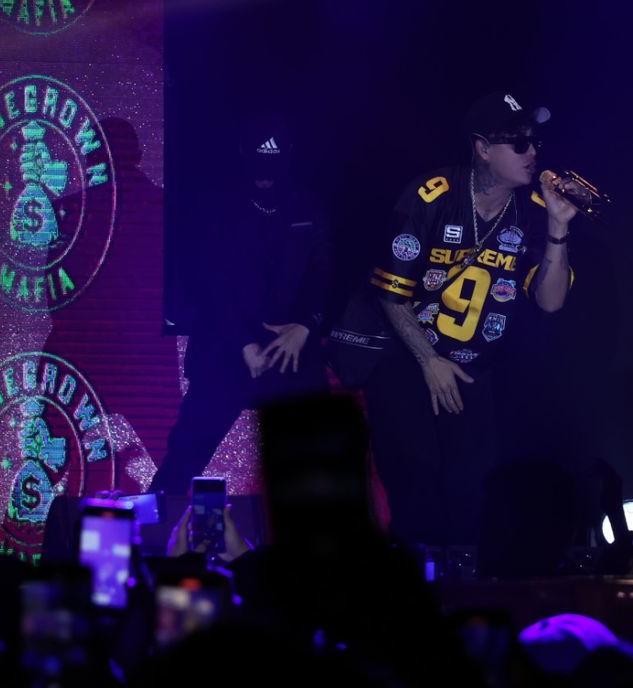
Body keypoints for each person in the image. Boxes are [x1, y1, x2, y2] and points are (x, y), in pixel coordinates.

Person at [331, 91, 577, 547]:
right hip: (407, 356)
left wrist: (559, 228)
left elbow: (550, 302)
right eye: (518, 143)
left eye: (534, 142)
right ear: (483, 148)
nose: (532, 153)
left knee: (472, 486)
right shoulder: (433, 195)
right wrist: (428, 360)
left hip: (472, 367)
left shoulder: (533, 209)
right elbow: (391, 294)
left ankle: (463, 577)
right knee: (416, 478)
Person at [149, 112, 331, 494]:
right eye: (258, 167)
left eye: (273, 168)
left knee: (313, 465)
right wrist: (243, 342)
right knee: (185, 455)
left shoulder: (306, 205)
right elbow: (204, 282)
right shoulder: (215, 206)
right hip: (226, 344)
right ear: (242, 154)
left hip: (290, 348)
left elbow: (325, 273)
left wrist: (306, 325)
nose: (265, 178)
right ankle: (156, 526)